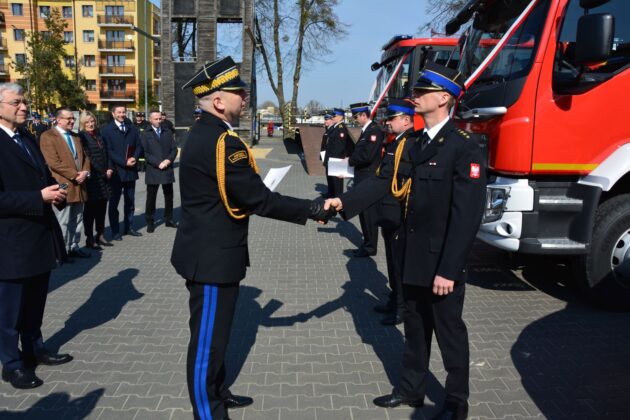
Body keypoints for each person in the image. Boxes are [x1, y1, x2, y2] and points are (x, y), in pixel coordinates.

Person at [170, 56, 334, 420]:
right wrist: (313, 209)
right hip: (212, 259)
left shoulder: (208, 134)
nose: (245, 98)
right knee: (206, 346)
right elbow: (258, 199)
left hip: (212, 253)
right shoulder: (223, 143)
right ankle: (207, 412)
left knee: (217, 337)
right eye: (238, 93)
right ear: (217, 101)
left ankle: (218, 390)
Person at [325, 63, 486, 420]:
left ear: (443, 98)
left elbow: (466, 217)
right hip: (413, 254)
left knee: (449, 334)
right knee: (414, 329)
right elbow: (382, 182)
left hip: (441, 262)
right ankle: (411, 389)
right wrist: (343, 202)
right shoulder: (411, 143)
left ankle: (456, 402)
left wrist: (449, 269)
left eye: (422, 92)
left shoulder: (464, 148)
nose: (414, 96)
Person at [0, 83, 72, 389]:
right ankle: (12, 364)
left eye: (25, 102)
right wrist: (36, 197)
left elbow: (42, 179)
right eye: (16, 102)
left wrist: (55, 194)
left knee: (34, 304)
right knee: (9, 310)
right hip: (11, 242)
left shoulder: (27, 138)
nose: (24, 107)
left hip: (38, 238)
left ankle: (34, 349)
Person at [374, 99, 416, 326]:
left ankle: (402, 307)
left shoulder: (410, 143)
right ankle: (394, 298)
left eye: (392, 119)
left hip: (399, 214)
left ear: (407, 120)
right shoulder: (395, 142)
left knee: (399, 263)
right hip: (388, 213)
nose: (388, 122)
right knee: (391, 260)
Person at [40, 108, 91, 260]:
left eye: (73, 119)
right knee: (63, 220)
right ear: (58, 119)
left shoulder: (76, 136)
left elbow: (85, 157)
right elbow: (53, 162)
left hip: (80, 186)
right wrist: (75, 175)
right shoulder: (48, 136)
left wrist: (85, 172)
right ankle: (62, 250)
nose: (72, 121)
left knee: (77, 218)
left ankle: (74, 246)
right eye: (68, 118)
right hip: (63, 185)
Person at [348, 102, 385, 258]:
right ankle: (367, 244)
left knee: (369, 214)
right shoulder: (367, 131)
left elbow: (367, 156)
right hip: (362, 176)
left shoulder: (374, 131)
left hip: (368, 177)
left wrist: (350, 161)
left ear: (364, 115)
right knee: (364, 214)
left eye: (356, 116)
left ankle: (370, 247)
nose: (355, 119)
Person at [101, 105, 143, 240]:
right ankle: (115, 231)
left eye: (123, 112)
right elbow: (109, 151)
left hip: (130, 171)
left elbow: (139, 146)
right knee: (114, 203)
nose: (121, 114)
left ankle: (129, 227)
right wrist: (124, 162)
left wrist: (134, 158)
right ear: (113, 114)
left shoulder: (133, 128)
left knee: (130, 202)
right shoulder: (106, 130)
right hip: (116, 172)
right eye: (118, 112)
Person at [79, 111, 113, 250]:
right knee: (90, 211)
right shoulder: (82, 137)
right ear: (83, 123)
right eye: (87, 122)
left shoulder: (99, 135)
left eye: (92, 121)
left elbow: (107, 153)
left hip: (104, 178)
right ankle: (89, 238)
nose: (91, 124)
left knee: (101, 209)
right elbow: (88, 158)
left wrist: (110, 168)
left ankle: (100, 234)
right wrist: (102, 171)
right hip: (92, 179)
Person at [140, 110, 178, 233]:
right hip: (153, 169)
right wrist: (158, 163)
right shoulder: (145, 134)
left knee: (169, 196)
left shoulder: (167, 131)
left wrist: (168, 160)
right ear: (150, 120)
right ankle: (150, 221)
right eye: (155, 119)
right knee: (151, 197)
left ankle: (169, 219)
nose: (158, 121)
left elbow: (174, 149)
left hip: (167, 168)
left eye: (159, 119)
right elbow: (144, 152)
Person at [323, 108, 354, 198]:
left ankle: (338, 199)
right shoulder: (335, 127)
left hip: (336, 160)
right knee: (332, 181)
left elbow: (339, 147)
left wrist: (333, 161)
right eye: (332, 116)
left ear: (341, 117)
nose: (332, 117)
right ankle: (332, 196)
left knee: (337, 183)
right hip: (331, 159)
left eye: (334, 116)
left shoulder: (341, 129)